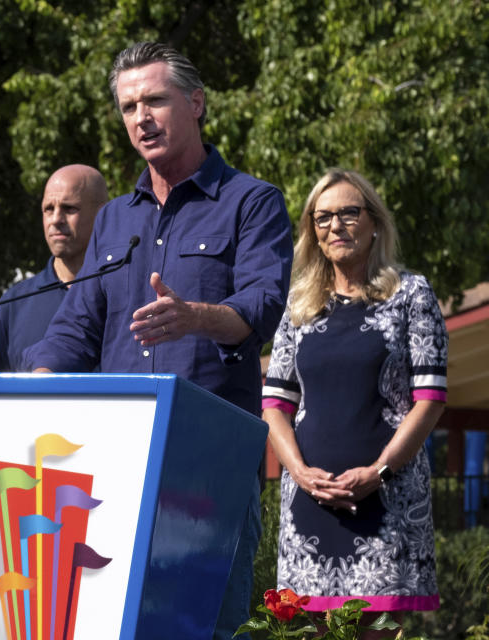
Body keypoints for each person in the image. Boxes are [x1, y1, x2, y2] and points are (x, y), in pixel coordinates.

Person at [23, 42, 294, 639]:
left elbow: (261, 306)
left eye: (155, 100)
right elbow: (77, 325)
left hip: (210, 470)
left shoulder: (252, 202)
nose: (140, 117)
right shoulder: (116, 219)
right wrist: (32, 388)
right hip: (116, 464)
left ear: (195, 103)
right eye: (128, 107)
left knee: (207, 629)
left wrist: (196, 316)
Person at [262, 169, 446, 634]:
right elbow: (276, 406)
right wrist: (300, 474)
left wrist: (379, 471)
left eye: (349, 213)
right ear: (312, 232)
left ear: (375, 222)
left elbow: (430, 400)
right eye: (323, 218)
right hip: (309, 507)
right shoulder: (298, 307)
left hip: (386, 503)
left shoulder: (412, 295)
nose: (336, 226)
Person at [0, 164, 108, 372]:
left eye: (70, 208)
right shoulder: (14, 305)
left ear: (102, 213)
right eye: (48, 209)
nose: (56, 219)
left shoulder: (126, 295)